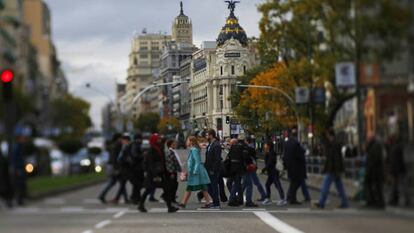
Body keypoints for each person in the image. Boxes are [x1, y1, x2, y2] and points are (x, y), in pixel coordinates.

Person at [138, 133, 178, 213]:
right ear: (154, 140)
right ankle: (141, 205)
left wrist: (167, 172)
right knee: (148, 190)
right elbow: (150, 163)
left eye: (159, 139)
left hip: (160, 173)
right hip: (153, 174)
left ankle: (170, 207)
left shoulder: (160, 148)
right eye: (158, 139)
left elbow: (163, 161)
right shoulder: (152, 150)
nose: (159, 140)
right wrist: (155, 175)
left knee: (166, 189)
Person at [314, 129, 348, 209]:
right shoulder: (334, 143)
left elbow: (335, 158)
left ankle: (322, 202)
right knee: (340, 187)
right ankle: (344, 202)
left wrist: (335, 170)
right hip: (335, 169)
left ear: (329, 135)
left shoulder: (333, 144)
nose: (326, 137)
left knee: (325, 186)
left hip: (332, 169)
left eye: (327, 135)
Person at [179, 136, 212, 208]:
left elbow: (197, 161)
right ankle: (207, 202)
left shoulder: (194, 150)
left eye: (187, 140)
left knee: (190, 186)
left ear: (191, 142)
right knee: (203, 187)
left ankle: (183, 203)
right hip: (198, 170)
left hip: (196, 172)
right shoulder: (194, 149)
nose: (186, 142)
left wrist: (194, 171)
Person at [117, 133, 145, 204]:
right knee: (136, 184)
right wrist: (142, 155)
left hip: (132, 167)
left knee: (134, 183)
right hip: (134, 168)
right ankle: (135, 198)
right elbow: (135, 155)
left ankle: (134, 197)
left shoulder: (132, 145)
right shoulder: (135, 145)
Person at [283, 129, 307, 205]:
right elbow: (300, 154)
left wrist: (285, 165)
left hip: (290, 166)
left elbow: (285, 156)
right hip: (296, 166)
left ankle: (290, 196)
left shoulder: (286, 143)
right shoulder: (296, 144)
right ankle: (292, 198)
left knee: (293, 182)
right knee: (296, 182)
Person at [98, 133, 123, 204]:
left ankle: (103, 195)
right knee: (117, 182)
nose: (121, 140)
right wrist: (116, 169)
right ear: (118, 138)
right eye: (120, 138)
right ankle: (102, 195)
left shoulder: (113, 145)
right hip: (113, 166)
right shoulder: (117, 145)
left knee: (115, 182)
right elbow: (115, 158)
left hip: (111, 165)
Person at [202, 129, 223, 208]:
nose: (206, 136)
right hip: (208, 169)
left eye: (207, 135)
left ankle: (216, 203)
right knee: (208, 186)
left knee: (214, 186)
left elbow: (218, 159)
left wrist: (213, 170)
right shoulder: (211, 144)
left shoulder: (216, 145)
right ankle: (215, 201)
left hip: (213, 170)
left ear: (211, 135)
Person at [387, 135, 410, 206]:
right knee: (400, 186)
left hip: (397, 171)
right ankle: (399, 199)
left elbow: (395, 161)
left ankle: (397, 200)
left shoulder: (394, 149)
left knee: (397, 186)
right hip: (400, 170)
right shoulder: (397, 148)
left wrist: (394, 172)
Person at [364, 132, 385, 209]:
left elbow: (375, 158)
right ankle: (372, 201)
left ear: (371, 137)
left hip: (375, 170)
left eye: (368, 137)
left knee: (377, 186)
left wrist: (370, 167)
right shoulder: (371, 145)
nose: (367, 139)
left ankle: (379, 202)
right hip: (372, 169)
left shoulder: (376, 145)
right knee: (371, 185)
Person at [109, 134, 131, 204]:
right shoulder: (124, 147)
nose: (123, 141)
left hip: (124, 168)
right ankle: (122, 199)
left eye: (124, 140)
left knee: (123, 184)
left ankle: (119, 199)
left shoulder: (126, 146)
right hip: (123, 168)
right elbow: (120, 158)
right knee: (122, 184)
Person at [227, 138, 249, 207]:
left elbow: (229, 158)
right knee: (237, 183)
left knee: (236, 184)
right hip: (239, 168)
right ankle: (233, 199)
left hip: (232, 168)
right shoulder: (242, 148)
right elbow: (245, 157)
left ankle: (238, 199)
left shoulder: (232, 148)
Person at [238, 134, 259, 207]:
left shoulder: (239, 147)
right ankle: (248, 201)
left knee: (244, 183)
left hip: (242, 167)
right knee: (249, 184)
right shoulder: (245, 148)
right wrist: (251, 164)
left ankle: (237, 198)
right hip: (246, 168)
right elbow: (247, 158)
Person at [262, 140, 285, 205]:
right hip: (271, 173)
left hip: (274, 172)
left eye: (265, 144)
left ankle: (282, 199)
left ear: (268, 146)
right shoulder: (269, 152)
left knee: (277, 185)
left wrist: (263, 170)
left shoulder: (272, 153)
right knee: (268, 184)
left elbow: (270, 163)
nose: (264, 146)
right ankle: (268, 199)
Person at [245, 137, 267, 203]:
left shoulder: (249, 148)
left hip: (250, 167)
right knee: (253, 182)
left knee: (252, 182)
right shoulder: (252, 147)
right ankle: (263, 195)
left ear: (247, 141)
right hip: (252, 166)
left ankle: (263, 195)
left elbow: (250, 157)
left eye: (245, 141)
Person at [11, 132, 28, 206]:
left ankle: (21, 199)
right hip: (19, 168)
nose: (24, 139)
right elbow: (14, 159)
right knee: (19, 184)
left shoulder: (21, 147)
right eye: (23, 138)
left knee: (22, 184)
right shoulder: (17, 147)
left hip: (21, 168)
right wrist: (17, 168)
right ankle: (19, 199)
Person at [165, 139, 182, 204]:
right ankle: (171, 198)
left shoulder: (173, 151)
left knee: (174, 184)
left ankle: (172, 198)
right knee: (173, 185)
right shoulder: (170, 152)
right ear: (170, 145)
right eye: (173, 144)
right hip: (172, 171)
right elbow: (171, 163)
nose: (175, 145)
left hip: (174, 171)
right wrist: (172, 172)